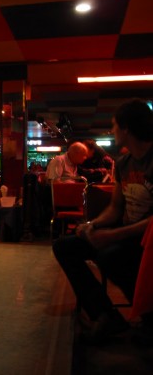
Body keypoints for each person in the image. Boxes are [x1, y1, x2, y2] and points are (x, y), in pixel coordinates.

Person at [52, 99, 153, 344]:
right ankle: (105, 315)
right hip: (127, 232)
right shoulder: (123, 163)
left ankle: (149, 318)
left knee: (109, 255)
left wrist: (112, 235)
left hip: (148, 240)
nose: (112, 130)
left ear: (126, 128)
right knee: (64, 246)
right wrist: (93, 225)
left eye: (115, 125)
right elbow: (115, 208)